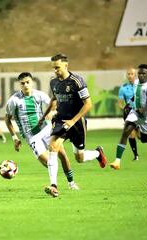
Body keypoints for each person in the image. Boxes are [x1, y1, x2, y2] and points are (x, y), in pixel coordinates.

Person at [39, 53, 107, 197]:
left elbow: (88, 104)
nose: (55, 71)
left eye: (57, 68)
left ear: (66, 65)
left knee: (79, 158)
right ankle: (53, 185)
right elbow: (54, 99)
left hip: (76, 123)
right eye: (53, 68)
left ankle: (97, 153)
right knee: (53, 146)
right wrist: (47, 114)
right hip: (61, 121)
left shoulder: (77, 81)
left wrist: (73, 121)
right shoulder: (53, 82)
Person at [5, 72, 79, 192]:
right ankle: (54, 185)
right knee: (48, 162)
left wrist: (52, 112)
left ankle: (71, 183)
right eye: (22, 83)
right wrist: (15, 138)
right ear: (19, 85)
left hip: (47, 130)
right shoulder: (14, 101)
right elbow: (7, 120)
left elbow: (55, 106)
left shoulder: (40, 95)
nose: (25, 85)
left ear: (32, 82)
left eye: (27, 82)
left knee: (62, 154)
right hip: (32, 137)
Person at [110, 64, 147, 170]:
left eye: (143, 73)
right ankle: (117, 161)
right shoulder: (136, 83)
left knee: (143, 139)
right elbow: (136, 96)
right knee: (126, 131)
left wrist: (145, 109)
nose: (141, 75)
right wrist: (129, 104)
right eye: (139, 73)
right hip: (135, 112)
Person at [118, 67, 139, 161]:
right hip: (130, 115)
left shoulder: (140, 86)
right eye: (128, 74)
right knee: (131, 134)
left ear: (135, 75)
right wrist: (126, 109)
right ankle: (136, 156)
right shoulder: (123, 88)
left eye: (132, 74)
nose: (130, 76)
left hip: (141, 113)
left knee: (142, 137)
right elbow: (120, 104)